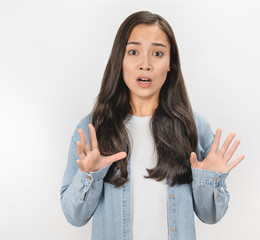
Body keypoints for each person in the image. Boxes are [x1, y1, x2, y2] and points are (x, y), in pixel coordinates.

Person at [60, 11, 245, 240]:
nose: (145, 64)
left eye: (157, 53)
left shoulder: (194, 127)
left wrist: (209, 180)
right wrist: (89, 175)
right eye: (134, 52)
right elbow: (74, 216)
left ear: (171, 64)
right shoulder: (93, 129)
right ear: (120, 59)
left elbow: (210, 215)